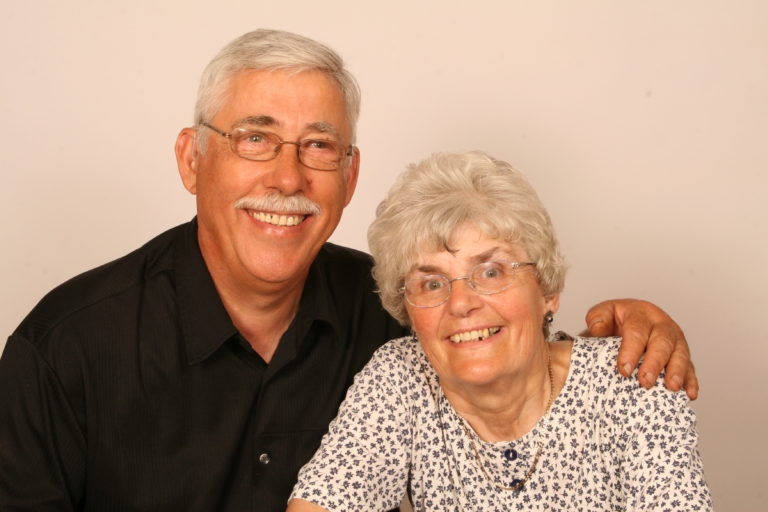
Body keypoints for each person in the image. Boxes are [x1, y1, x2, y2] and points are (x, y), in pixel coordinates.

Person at [0, 30, 696, 512]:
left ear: (350, 173)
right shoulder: (64, 350)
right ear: (191, 159)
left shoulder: (390, 311)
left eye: (319, 146)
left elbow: (502, 337)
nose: (286, 174)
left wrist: (636, 328)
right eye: (255, 137)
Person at [288, 151, 712, 511]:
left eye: (490, 271)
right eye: (432, 282)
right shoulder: (400, 377)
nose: (461, 303)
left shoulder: (634, 381)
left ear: (547, 289)